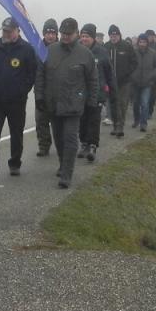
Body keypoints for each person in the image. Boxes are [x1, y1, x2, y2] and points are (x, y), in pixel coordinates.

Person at [34, 17, 97, 189]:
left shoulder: (85, 54)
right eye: (63, 33)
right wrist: (39, 97)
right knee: (59, 138)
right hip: (54, 104)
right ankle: (63, 164)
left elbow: (92, 80)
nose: (65, 36)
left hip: (74, 105)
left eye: (69, 34)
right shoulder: (49, 51)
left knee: (70, 138)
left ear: (76, 33)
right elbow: (40, 75)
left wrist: (92, 102)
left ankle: (67, 174)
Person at [0, 16, 38, 178]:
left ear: (17, 31)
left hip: (17, 101)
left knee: (16, 133)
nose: (6, 34)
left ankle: (15, 163)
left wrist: (23, 90)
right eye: (4, 31)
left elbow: (32, 73)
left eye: (9, 31)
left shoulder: (26, 49)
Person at [77, 23, 114, 163]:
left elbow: (109, 73)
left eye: (87, 36)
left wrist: (110, 90)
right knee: (82, 120)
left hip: (97, 92)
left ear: (93, 37)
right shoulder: (77, 50)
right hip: (81, 93)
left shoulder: (102, 52)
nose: (84, 39)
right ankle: (84, 144)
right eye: (82, 36)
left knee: (94, 120)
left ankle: (93, 146)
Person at [104, 24, 137, 138]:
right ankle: (115, 125)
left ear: (119, 35)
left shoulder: (126, 46)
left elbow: (134, 62)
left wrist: (127, 73)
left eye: (115, 35)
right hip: (110, 82)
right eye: (111, 35)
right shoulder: (106, 47)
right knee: (113, 104)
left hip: (124, 82)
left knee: (122, 104)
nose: (113, 37)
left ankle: (120, 126)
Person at [34, 18, 58, 157]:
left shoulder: (61, 48)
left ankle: (61, 145)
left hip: (58, 93)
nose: (50, 36)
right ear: (43, 33)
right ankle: (44, 146)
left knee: (58, 123)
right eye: (48, 33)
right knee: (41, 121)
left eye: (53, 33)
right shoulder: (37, 49)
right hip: (41, 91)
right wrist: (38, 95)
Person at [130, 32, 156, 132]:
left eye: (144, 42)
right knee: (135, 103)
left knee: (145, 103)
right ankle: (136, 120)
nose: (142, 44)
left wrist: (152, 75)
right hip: (135, 82)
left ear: (147, 43)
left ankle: (143, 123)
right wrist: (132, 75)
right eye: (140, 42)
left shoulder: (153, 53)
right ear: (138, 42)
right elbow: (129, 65)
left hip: (147, 83)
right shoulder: (133, 52)